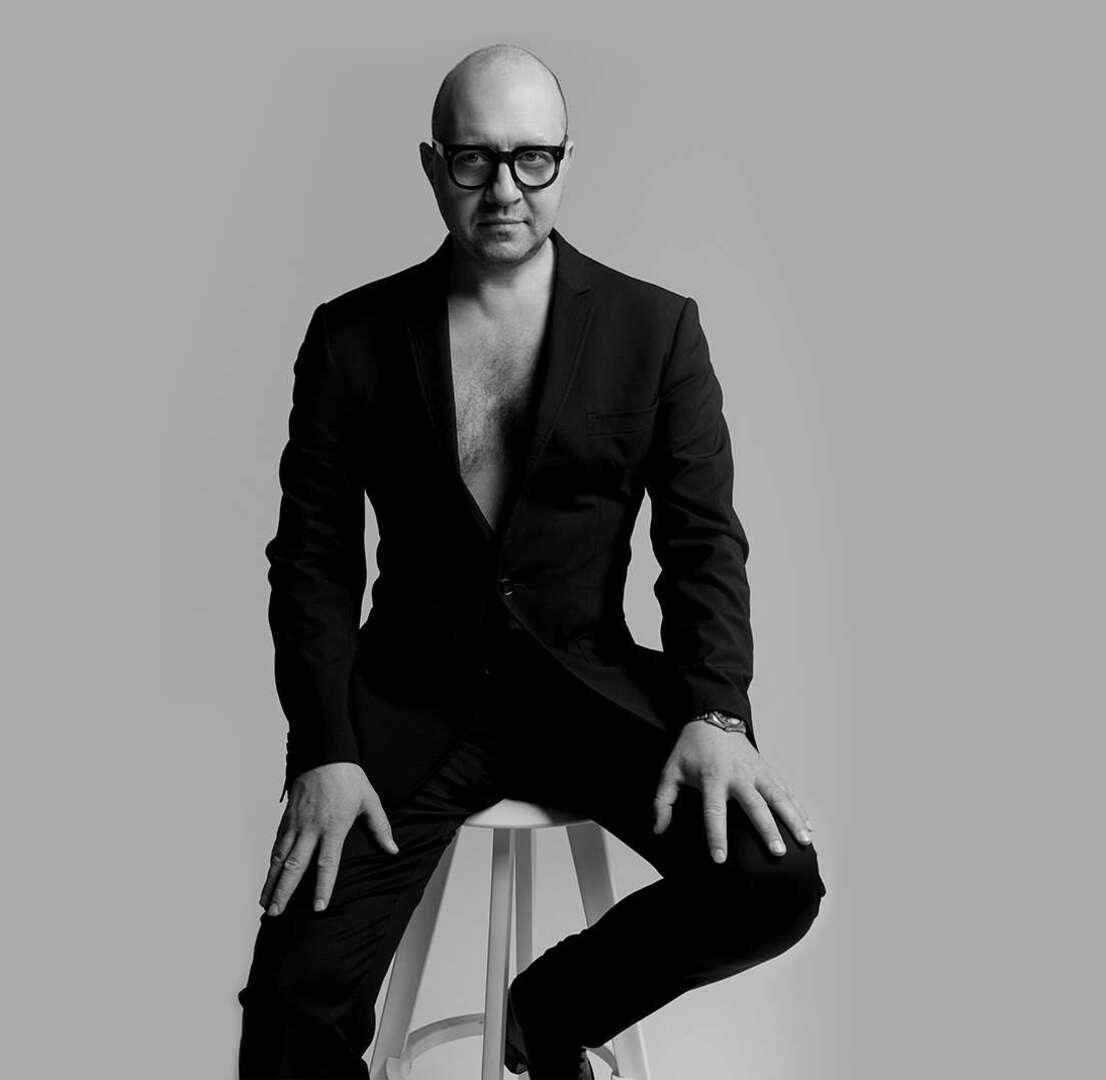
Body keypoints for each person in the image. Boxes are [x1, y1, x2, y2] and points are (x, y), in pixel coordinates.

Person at [238, 43, 827, 1079]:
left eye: (531, 159)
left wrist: (716, 713)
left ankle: (548, 1010)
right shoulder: (353, 337)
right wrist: (324, 748)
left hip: (584, 688)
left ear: (564, 160)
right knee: (288, 1018)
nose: (504, 188)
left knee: (772, 882)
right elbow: (313, 560)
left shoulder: (655, 330)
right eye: (474, 160)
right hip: (407, 704)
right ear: (434, 165)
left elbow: (701, 541)